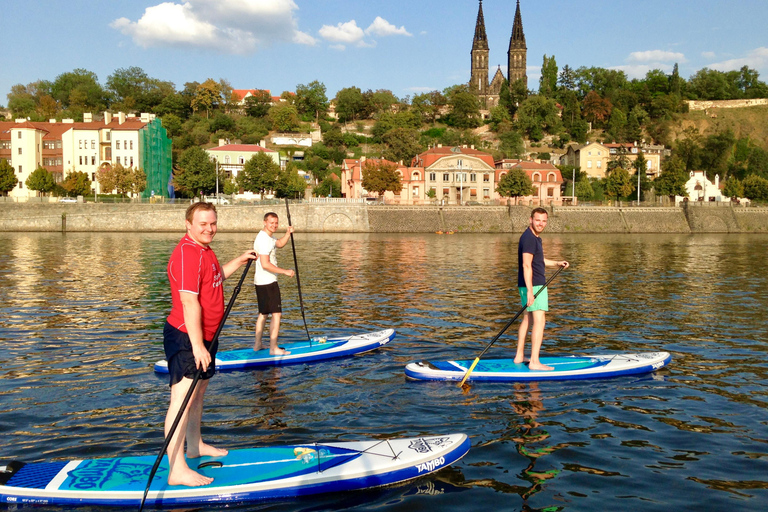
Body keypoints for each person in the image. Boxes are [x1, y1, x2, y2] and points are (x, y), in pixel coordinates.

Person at [163, 202, 255, 487]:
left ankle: (195, 445)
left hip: (205, 336)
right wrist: (198, 346)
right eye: (202, 223)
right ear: (188, 224)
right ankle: (176, 469)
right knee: (182, 399)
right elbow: (189, 302)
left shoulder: (205, 251)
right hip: (187, 337)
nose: (209, 228)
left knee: (198, 393)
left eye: (212, 223)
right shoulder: (187, 254)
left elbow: (215, 280)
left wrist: (238, 261)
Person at [515, 207, 569, 371]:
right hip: (535, 284)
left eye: (544, 221)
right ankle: (534, 362)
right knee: (540, 321)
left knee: (527, 320)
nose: (541, 224)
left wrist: (556, 263)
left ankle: (519, 356)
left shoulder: (531, 237)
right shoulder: (530, 238)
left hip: (526, 284)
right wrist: (531, 291)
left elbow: (537, 260)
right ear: (530, 220)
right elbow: (526, 265)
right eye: (538, 220)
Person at [253, 212, 295, 355]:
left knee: (263, 313)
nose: (274, 225)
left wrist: (288, 233)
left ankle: (258, 345)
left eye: (276, 223)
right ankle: (273, 348)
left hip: (260, 281)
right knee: (276, 314)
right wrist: (285, 271)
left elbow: (280, 243)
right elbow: (265, 264)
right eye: (271, 223)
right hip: (268, 281)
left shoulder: (267, 237)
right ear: (265, 222)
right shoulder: (264, 239)